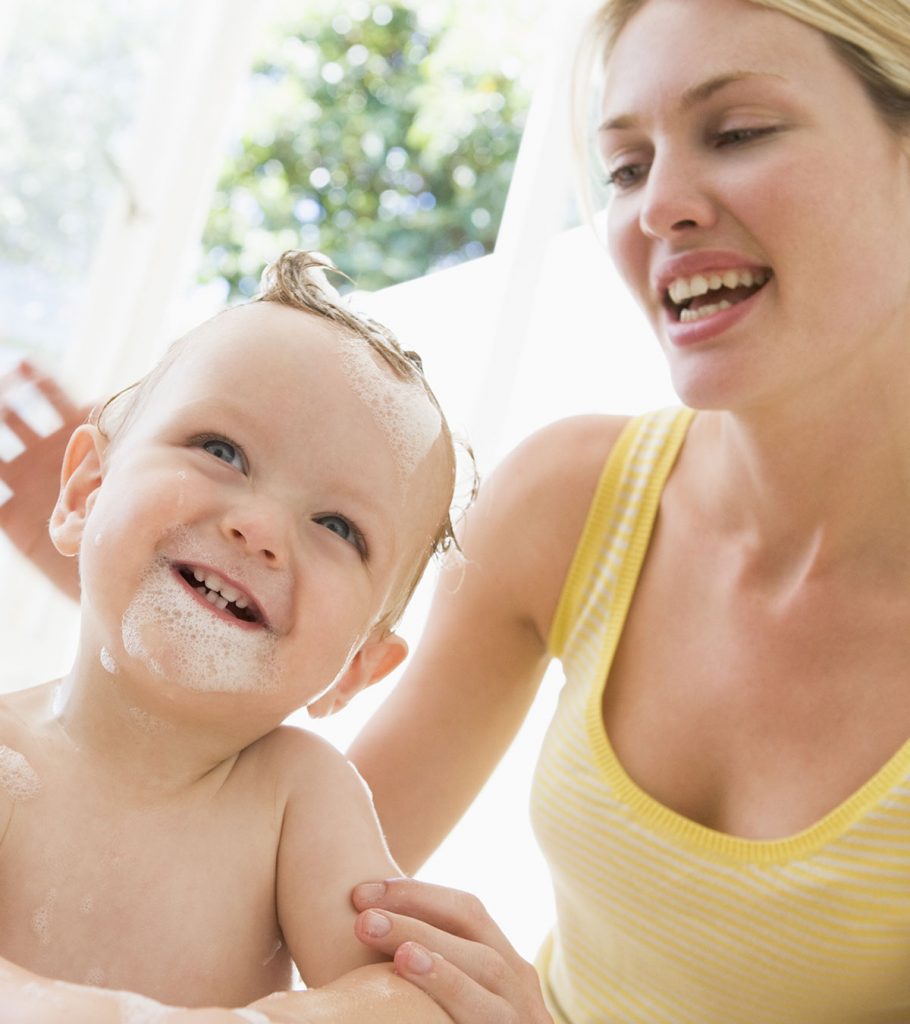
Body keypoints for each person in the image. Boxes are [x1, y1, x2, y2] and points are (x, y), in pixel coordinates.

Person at [6, 0, 910, 1020]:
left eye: (737, 132)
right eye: (621, 167)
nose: (659, 205)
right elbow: (263, 843)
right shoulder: (572, 504)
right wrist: (153, 573)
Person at [0, 250, 465, 1022]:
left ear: (356, 666)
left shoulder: (297, 796)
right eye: (222, 451)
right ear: (84, 492)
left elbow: (407, 1002)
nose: (259, 528)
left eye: (337, 526)